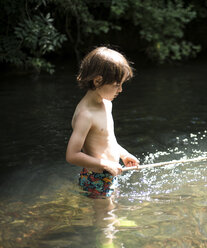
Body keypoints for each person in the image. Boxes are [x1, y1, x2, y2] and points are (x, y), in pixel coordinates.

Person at [65, 46, 139, 246]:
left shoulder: (107, 104)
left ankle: (110, 220)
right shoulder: (85, 114)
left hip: (108, 172)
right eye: (117, 85)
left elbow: (108, 139)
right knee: (103, 218)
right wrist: (105, 164)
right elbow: (72, 155)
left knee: (109, 206)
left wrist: (123, 155)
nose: (120, 90)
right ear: (98, 81)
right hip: (96, 176)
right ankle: (106, 240)